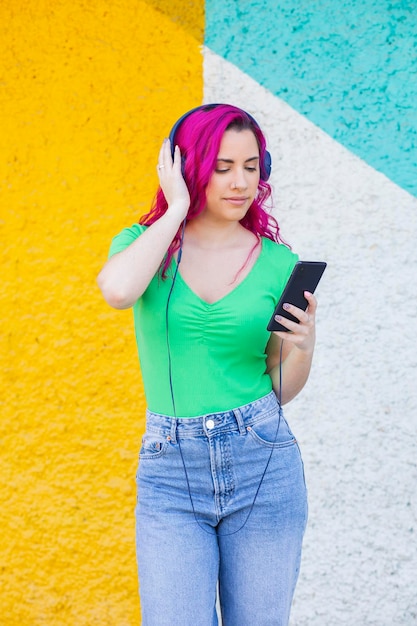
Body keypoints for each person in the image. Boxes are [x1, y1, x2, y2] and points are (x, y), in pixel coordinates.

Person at [97, 103, 318, 626]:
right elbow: (119, 291)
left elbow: (280, 388)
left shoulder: (280, 264)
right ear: (183, 165)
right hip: (172, 470)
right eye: (222, 167)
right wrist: (175, 209)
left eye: (251, 166)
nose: (241, 182)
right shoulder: (143, 247)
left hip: (262, 459)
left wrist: (303, 345)